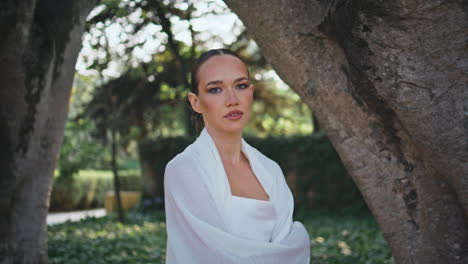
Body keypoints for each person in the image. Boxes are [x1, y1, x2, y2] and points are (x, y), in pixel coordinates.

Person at [163, 49, 310, 263]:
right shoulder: (183, 169)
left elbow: (290, 252)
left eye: (240, 86)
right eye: (215, 90)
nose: (232, 100)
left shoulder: (270, 170)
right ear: (196, 102)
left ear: (251, 92)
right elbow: (209, 256)